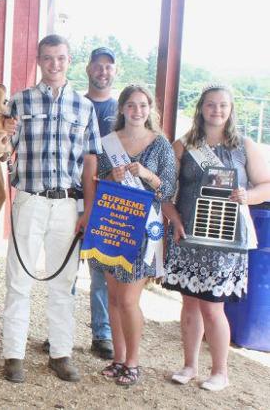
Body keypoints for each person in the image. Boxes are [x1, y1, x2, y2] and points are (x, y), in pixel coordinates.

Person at [3, 34, 101, 384]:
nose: (54, 64)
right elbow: (3, 152)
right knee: (20, 278)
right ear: (38, 60)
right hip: (29, 198)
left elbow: (90, 162)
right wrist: (3, 135)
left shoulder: (83, 107)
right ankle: (13, 354)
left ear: (69, 60)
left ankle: (61, 353)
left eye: (60, 58)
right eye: (47, 58)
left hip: (67, 204)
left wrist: (87, 209)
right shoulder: (18, 102)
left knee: (64, 282)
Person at [163, 85, 270, 391]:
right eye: (211, 104)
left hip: (225, 241)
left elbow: (267, 185)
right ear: (201, 109)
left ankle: (220, 371)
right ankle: (189, 365)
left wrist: (247, 195)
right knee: (189, 306)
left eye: (223, 105)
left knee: (213, 307)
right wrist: (174, 219)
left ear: (231, 109)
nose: (217, 110)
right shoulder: (182, 145)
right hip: (190, 237)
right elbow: (166, 192)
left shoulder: (244, 146)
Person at [89, 85, 176, 386]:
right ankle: (118, 358)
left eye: (142, 105)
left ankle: (134, 362)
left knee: (128, 299)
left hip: (143, 231)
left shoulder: (160, 145)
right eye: (131, 105)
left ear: (149, 109)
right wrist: (107, 177)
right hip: (114, 224)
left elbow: (168, 191)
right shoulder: (108, 143)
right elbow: (95, 181)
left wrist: (147, 175)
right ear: (122, 109)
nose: (137, 110)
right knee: (113, 297)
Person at [82, 47, 119, 361]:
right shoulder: (78, 105)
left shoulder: (122, 111)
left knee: (100, 269)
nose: (103, 71)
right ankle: (59, 334)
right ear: (88, 69)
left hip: (107, 198)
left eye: (108, 67)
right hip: (74, 192)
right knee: (63, 267)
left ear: (114, 72)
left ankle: (102, 334)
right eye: (98, 66)